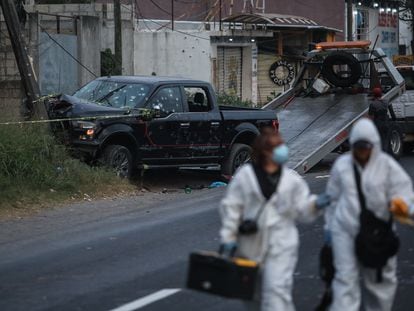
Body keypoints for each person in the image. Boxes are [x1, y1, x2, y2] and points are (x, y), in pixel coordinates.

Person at [219, 128, 329, 311]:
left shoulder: (291, 179)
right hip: (250, 244)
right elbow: (232, 207)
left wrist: (315, 204)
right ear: (264, 152)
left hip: (281, 245)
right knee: (253, 295)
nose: (281, 150)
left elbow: (302, 209)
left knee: (277, 291)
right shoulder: (245, 176)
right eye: (275, 147)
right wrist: (229, 237)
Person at [324, 118, 414, 311]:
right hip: (345, 230)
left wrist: (404, 206)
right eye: (359, 148)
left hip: (378, 232)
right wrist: (329, 228)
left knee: (380, 283)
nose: (363, 153)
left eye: (366, 148)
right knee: (344, 280)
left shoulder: (386, 165)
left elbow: (405, 193)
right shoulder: (342, 165)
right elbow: (332, 199)